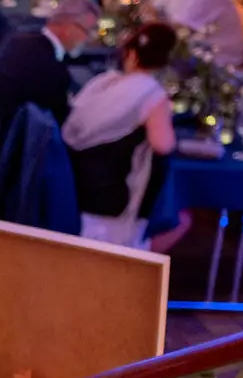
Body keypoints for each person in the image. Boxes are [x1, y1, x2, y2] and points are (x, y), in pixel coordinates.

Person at [0, 0, 100, 203]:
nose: (89, 39)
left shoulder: (18, 40)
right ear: (69, 28)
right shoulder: (53, 71)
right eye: (88, 31)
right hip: (14, 152)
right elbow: (62, 129)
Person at [64, 22, 181, 249]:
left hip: (76, 185)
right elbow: (163, 145)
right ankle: (143, 271)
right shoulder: (151, 94)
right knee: (179, 216)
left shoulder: (101, 83)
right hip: (111, 199)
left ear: (130, 53)